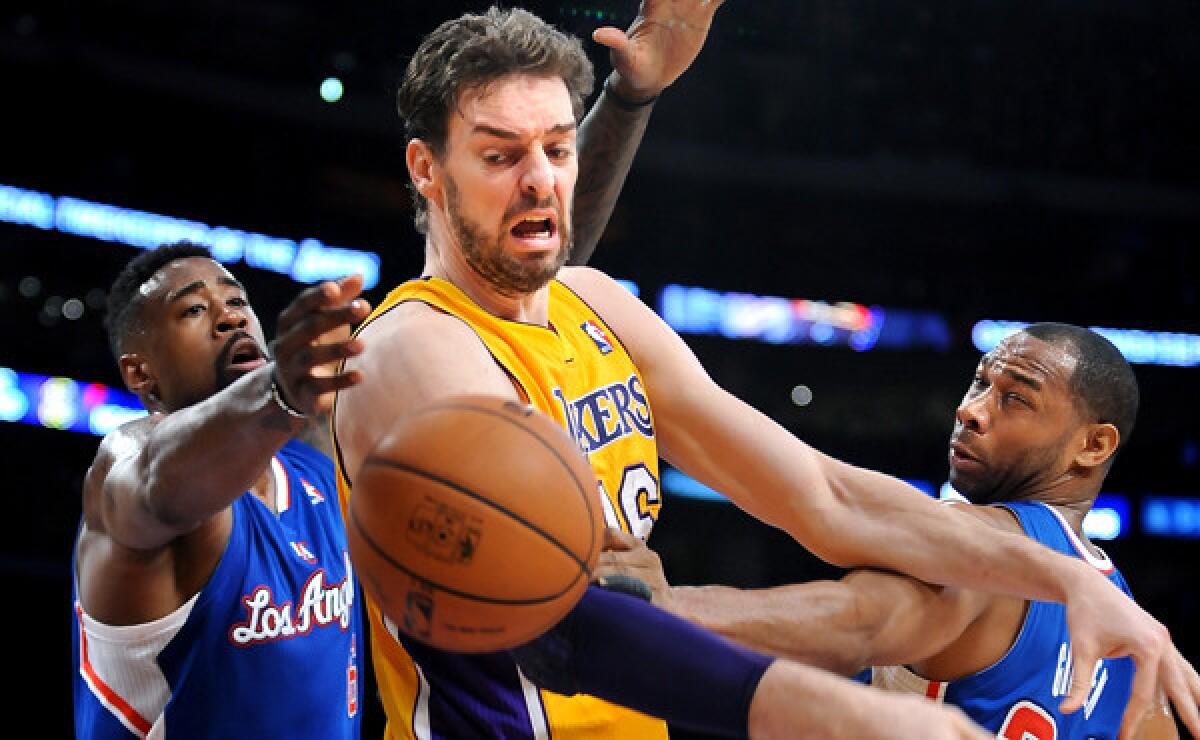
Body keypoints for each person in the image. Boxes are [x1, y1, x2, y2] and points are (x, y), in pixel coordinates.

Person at [331, 4, 1194, 738]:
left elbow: (827, 498)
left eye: (557, 149)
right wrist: (852, 717)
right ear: (426, 171)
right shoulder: (413, 349)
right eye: (499, 155)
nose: (539, 181)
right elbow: (560, 630)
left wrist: (1073, 579)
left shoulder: (597, 303)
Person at [601, 323, 1200, 738]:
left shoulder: (986, 547)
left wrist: (665, 606)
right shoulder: (1140, 645)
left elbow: (860, 619)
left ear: (1092, 446)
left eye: (1016, 399)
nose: (972, 408)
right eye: (980, 382)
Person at [72, 242, 371, 738]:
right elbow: (153, 481)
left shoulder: (311, 462)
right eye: (194, 309)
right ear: (140, 372)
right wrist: (278, 394)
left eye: (237, 302)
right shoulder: (124, 467)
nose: (230, 319)